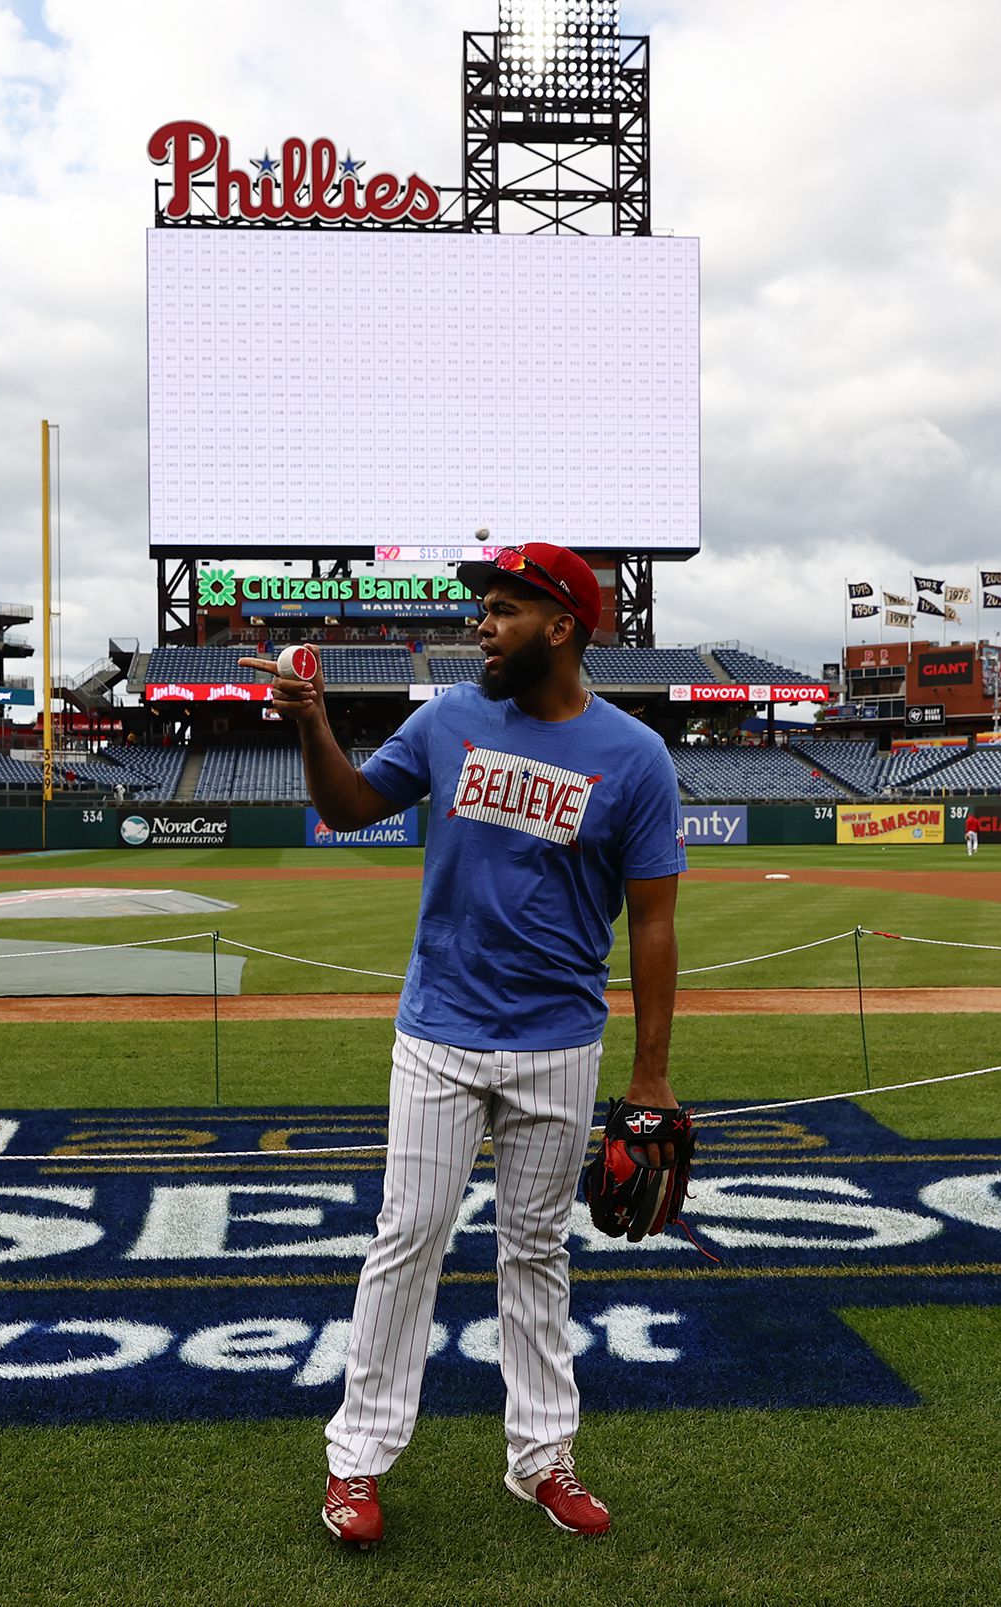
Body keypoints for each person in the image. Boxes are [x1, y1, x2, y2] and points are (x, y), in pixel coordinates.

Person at [241, 541, 685, 1549]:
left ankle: (543, 1457)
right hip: (439, 1029)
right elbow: (348, 806)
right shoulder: (446, 719)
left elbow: (655, 919)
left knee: (536, 1249)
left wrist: (651, 1075)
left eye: (504, 608)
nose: (481, 623)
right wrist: (312, 724)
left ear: (563, 627)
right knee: (409, 1239)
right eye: (481, 606)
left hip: (560, 1040)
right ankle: (355, 1461)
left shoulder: (638, 756)